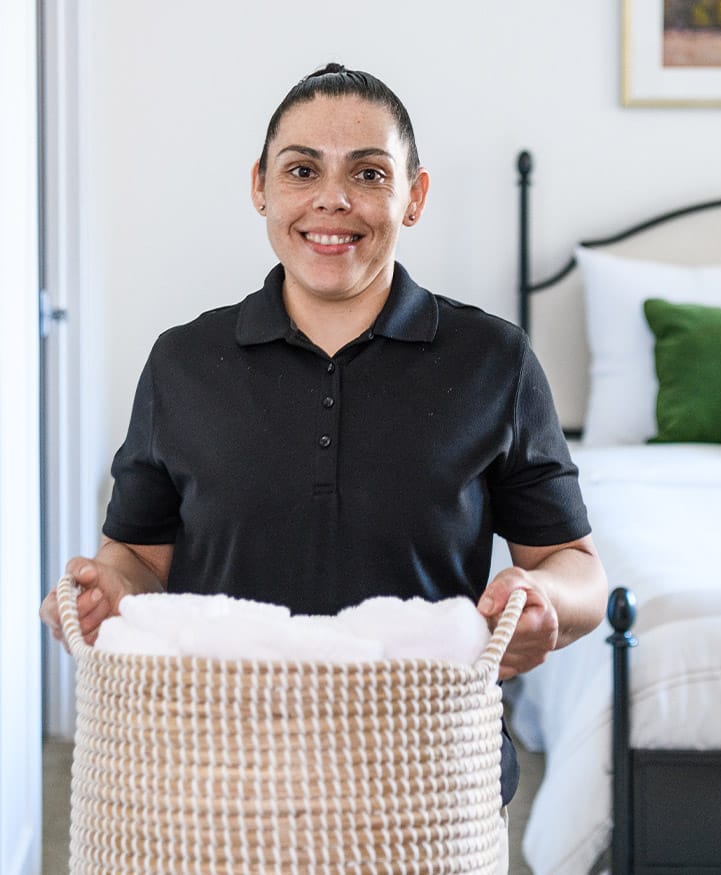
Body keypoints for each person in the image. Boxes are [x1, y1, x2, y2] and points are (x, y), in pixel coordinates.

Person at [40, 63, 607, 871]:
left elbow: (575, 570)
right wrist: (106, 595)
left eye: (367, 174)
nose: (331, 200)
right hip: (211, 783)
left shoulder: (495, 362)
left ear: (412, 196)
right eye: (301, 170)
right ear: (260, 189)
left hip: (425, 787)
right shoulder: (182, 363)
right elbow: (135, 558)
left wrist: (541, 598)